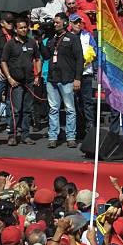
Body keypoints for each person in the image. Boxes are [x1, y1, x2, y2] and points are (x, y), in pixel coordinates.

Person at [40, 12, 83, 149]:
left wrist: (77, 79)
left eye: (57, 22)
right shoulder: (52, 39)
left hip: (67, 78)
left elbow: (80, 59)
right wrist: (40, 42)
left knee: (70, 109)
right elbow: (47, 56)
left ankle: (71, 137)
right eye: (54, 22)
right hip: (52, 79)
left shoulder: (72, 38)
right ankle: (53, 136)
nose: (55, 24)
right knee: (53, 109)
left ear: (65, 23)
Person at [1, 17, 41, 146]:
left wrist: (37, 76)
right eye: (21, 28)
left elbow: (37, 59)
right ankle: (12, 135)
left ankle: (25, 135)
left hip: (29, 81)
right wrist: (9, 78)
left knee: (28, 109)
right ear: (16, 29)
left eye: (25, 27)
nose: (24, 30)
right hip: (15, 82)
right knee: (16, 109)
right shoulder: (10, 44)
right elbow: (3, 61)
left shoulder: (32, 43)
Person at [69, 14, 97, 138]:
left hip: (86, 73)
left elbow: (94, 50)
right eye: (75, 22)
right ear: (70, 23)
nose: (78, 24)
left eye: (80, 22)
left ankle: (90, 127)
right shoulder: (66, 36)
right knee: (74, 102)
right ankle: (78, 128)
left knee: (87, 102)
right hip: (71, 75)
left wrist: (85, 60)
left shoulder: (87, 35)